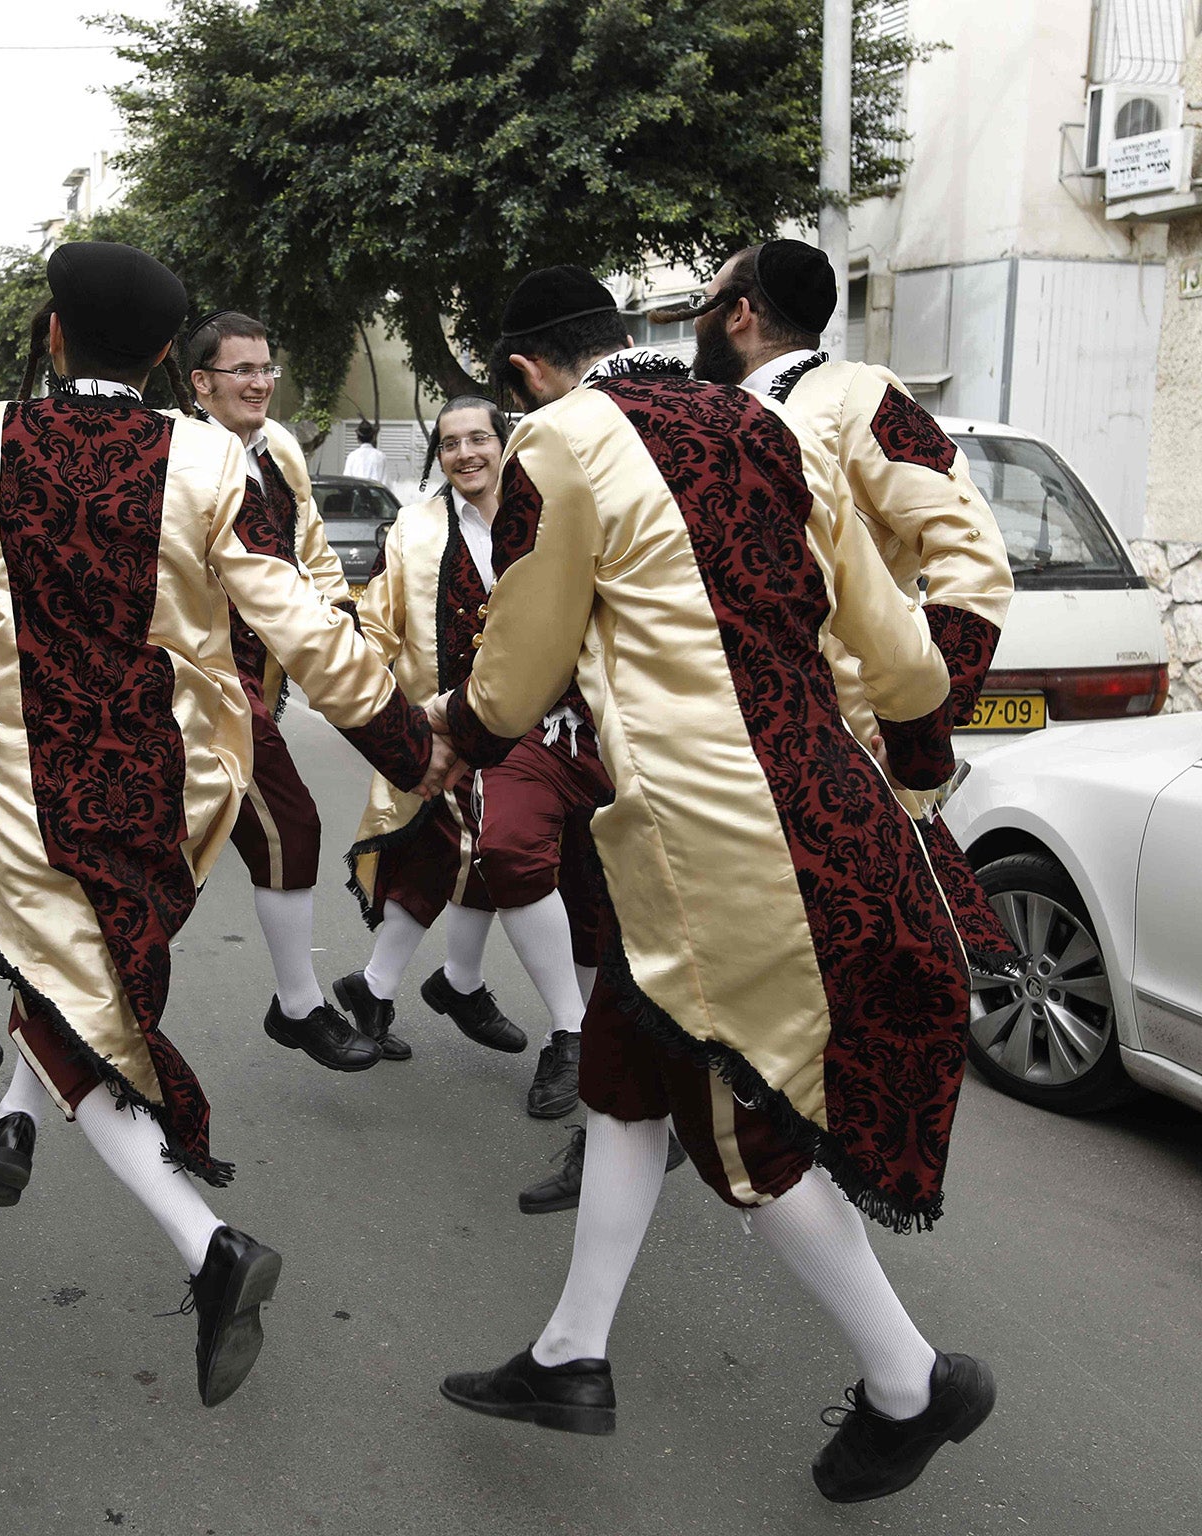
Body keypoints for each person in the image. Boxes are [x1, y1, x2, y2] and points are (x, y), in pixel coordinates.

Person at [0, 242, 446, 1406]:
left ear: (51, 335)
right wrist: (413, 748)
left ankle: (210, 1249)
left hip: (27, 793)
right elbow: (305, 628)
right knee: (93, 1001)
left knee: (83, 1014)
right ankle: (66, 1159)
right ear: (167, 357)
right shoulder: (209, 460)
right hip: (170, 792)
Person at [431, 267, 993, 1504]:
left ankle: (909, 1384)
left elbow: (515, 677)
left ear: (525, 368)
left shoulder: (556, 443)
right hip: (826, 800)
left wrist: (455, 736)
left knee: (742, 1138)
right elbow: (895, 650)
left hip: (712, 846)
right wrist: (913, 763)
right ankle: (571, 1353)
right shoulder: (765, 424)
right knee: (631, 1081)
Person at [678, 238, 1018, 971]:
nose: (692, 328)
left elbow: (972, 555)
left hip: (834, 767)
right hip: (712, 762)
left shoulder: (855, 396)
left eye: (701, 307)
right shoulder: (701, 415)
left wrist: (918, 729)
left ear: (737, 315)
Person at [331, 396, 618, 1128]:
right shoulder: (418, 531)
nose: (466, 453)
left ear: (506, 443)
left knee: (503, 860)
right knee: (499, 848)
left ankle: (402, 984)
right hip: (468, 729)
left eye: (478, 439)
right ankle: (569, 1028)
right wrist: (380, 712)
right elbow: (377, 625)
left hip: (577, 725)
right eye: (450, 442)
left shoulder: (556, 512)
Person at [184, 310, 385, 1068]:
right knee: (282, 830)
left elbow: (313, 555)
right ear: (202, 383)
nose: (261, 382)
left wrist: (342, 625)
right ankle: (296, 1005)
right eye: (243, 370)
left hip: (258, 689)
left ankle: (297, 1004)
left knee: (256, 841)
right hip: (200, 689)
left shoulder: (283, 451)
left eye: (268, 367)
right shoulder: (183, 457)